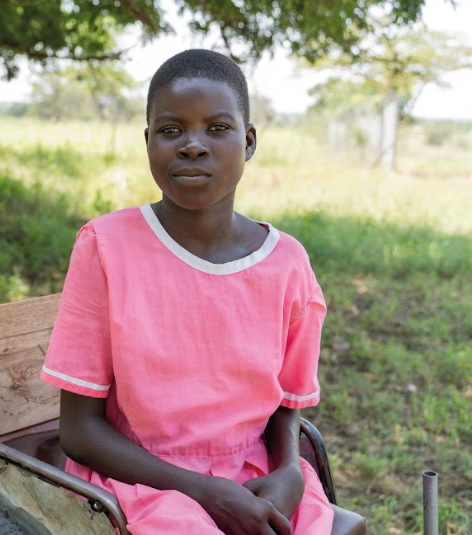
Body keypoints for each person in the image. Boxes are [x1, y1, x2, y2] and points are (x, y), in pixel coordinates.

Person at [40, 49, 334, 535]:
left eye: (217, 128)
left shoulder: (287, 262)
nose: (193, 146)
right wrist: (204, 493)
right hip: (140, 480)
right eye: (171, 130)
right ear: (149, 142)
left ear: (248, 141)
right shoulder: (106, 247)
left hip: (256, 472)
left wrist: (288, 472)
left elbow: (287, 401)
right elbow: (79, 431)